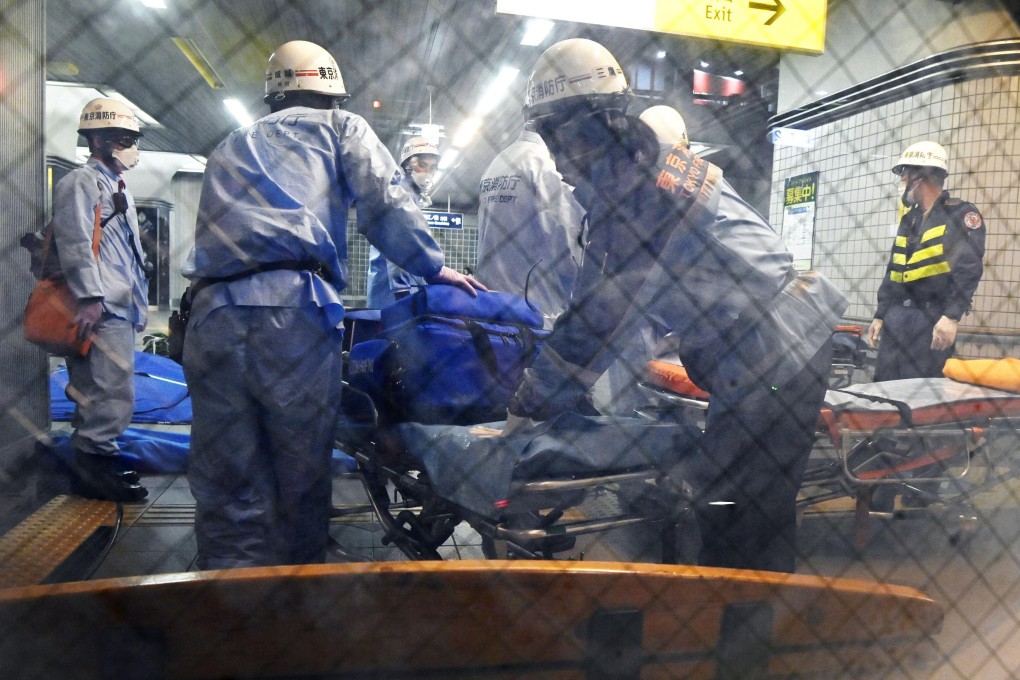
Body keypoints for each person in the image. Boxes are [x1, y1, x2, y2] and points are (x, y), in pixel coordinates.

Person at [505, 38, 847, 572]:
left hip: (774, 347)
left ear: (582, 129)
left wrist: (530, 402)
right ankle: (746, 605)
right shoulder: (643, 169)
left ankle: (744, 615)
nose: (552, 153)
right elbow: (604, 299)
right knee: (748, 503)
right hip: (768, 341)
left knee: (738, 509)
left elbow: (599, 318)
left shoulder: (639, 191)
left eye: (553, 135)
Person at [183, 40, 483, 569]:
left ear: (273, 95)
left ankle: (227, 588)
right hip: (292, 309)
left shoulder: (232, 143)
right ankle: (298, 579)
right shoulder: (341, 128)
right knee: (299, 457)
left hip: (212, 310)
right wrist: (434, 267)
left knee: (225, 467)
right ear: (334, 95)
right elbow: (385, 202)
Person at [53, 98, 149, 503]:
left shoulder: (117, 187)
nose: (130, 147)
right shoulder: (81, 182)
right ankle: (93, 469)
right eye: (122, 139)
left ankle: (98, 461)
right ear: (97, 141)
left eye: (132, 139)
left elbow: (128, 254)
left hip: (119, 304)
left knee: (105, 389)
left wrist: (138, 304)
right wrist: (90, 298)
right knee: (110, 391)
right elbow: (75, 241)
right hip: (102, 305)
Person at [866, 141, 986, 380]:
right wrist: (881, 314)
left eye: (905, 174)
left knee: (920, 388)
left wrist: (951, 317)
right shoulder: (909, 219)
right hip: (897, 316)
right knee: (884, 385)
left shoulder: (960, 215)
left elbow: (968, 269)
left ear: (920, 177)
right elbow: (894, 268)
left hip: (931, 318)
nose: (902, 181)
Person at [476, 122, 584, 322]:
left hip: (490, 303)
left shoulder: (499, 162)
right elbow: (569, 253)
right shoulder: (545, 165)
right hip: (535, 310)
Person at [365, 136, 439, 308]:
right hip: (393, 294)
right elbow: (399, 246)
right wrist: (403, 292)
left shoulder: (410, 195)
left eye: (432, 167)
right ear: (407, 165)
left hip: (394, 289)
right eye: (422, 165)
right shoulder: (401, 194)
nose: (427, 172)